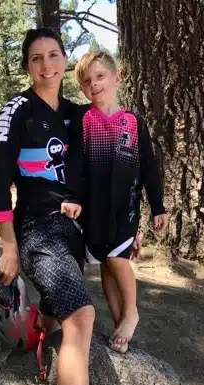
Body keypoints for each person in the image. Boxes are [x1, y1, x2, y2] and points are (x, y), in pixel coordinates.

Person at [0, 28, 123, 385]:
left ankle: (40, 327)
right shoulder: (16, 112)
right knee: (81, 316)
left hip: (74, 233)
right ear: (28, 67)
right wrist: (9, 246)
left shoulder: (78, 115)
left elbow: (113, 162)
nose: (46, 66)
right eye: (36, 59)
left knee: (62, 308)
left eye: (53, 56)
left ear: (66, 61)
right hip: (36, 230)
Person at [69, 51, 169, 355]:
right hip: (93, 208)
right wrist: (73, 197)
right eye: (87, 81)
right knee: (105, 263)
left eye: (100, 76)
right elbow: (75, 164)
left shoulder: (134, 123)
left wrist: (158, 207)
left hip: (125, 207)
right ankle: (119, 321)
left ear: (118, 78)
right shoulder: (83, 119)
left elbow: (149, 168)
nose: (94, 84)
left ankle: (132, 313)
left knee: (117, 258)